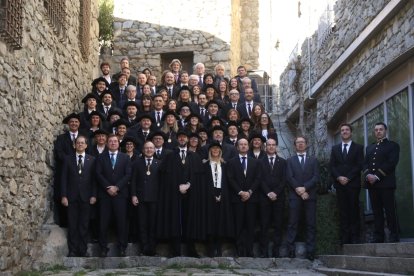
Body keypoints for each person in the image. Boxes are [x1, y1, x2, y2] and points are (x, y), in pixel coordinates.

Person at [156, 130, 204, 257]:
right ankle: (175, 250)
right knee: (174, 220)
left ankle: (191, 249)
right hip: (174, 194)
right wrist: (177, 186)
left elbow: (198, 176)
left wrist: (189, 185)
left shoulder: (194, 156)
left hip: (191, 194)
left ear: (188, 139)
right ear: (177, 139)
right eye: (180, 137)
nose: (182, 139)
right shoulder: (170, 156)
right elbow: (165, 176)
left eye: (184, 137)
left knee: (190, 220)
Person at [363, 122, 400, 243]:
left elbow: (391, 163)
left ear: (385, 131)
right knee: (377, 212)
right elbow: (365, 163)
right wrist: (368, 174)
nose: (378, 131)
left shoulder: (393, 146)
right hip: (372, 185)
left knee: (390, 211)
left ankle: (394, 235)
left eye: (381, 129)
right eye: (376, 130)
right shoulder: (370, 147)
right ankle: (379, 236)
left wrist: (377, 176)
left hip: (386, 183)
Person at [95, 134, 132, 257]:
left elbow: (127, 175)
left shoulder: (125, 157)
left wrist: (117, 187)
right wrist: (108, 187)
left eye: (115, 141)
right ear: (106, 143)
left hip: (120, 195)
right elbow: (98, 174)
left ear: (118, 143)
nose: (113, 143)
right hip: (105, 195)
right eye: (110, 141)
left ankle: (122, 247)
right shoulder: (100, 157)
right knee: (103, 223)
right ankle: (103, 248)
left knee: (121, 222)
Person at [60, 135, 96, 257]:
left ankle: (83, 250)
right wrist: (64, 196)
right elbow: (63, 179)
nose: (80, 144)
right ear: (74, 145)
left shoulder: (92, 160)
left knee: (84, 225)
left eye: (82, 143)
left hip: (86, 197)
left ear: (86, 145)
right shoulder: (67, 159)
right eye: (78, 143)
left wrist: (93, 195)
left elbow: (94, 180)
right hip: (71, 197)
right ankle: (73, 250)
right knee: (73, 224)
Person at [286, 136, 320, 261]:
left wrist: (305, 188)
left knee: (310, 224)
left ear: (306, 144)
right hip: (295, 196)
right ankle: (290, 250)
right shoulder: (290, 160)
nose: (300, 144)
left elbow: (316, 177)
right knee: (292, 223)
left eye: (302, 142)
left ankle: (311, 251)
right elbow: (289, 177)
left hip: (310, 196)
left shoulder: (313, 160)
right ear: (295, 145)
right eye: (298, 143)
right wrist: (299, 191)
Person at [329, 123, 364, 245]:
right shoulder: (335, 148)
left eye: (347, 130)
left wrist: (348, 177)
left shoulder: (358, 148)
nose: (344, 132)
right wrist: (339, 177)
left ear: (351, 132)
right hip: (340, 185)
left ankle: (355, 237)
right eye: (342, 130)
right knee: (343, 211)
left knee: (353, 210)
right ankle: (345, 237)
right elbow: (332, 166)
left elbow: (359, 165)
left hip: (353, 184)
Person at [226, 138, 262, 257]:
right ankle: (239, 250)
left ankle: (249, 250)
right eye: (241, 144)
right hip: (237, 199)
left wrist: (249, 192)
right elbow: (230, 179)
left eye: (245, 144)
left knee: (250, 226)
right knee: (239, 225)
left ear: (248, 146)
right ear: (237, 147)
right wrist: (241, 192)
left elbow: (258, 179)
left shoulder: (255, 162)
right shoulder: (231, 162)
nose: (243, 146)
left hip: (252, 199)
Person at [203, 141, 234, 257]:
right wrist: (212, 195)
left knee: (221, 221)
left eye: (217, 149)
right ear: (210, 151)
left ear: (220, 151)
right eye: (213, 149)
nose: (215, 150)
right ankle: (210, 248)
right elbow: (205, 183)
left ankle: (219, 247)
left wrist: (221, 195)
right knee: (210, 221)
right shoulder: (205, 165)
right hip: (209, 195)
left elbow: (227, 182)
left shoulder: (225, 165)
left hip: (222, 195)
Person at [54, 113, 85, 226]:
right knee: (65, 198)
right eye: (71, 122)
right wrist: (72, 160)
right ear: (68, 124)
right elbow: (59, 153)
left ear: (79, 123)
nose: (74, 123)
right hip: (65, 172)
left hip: (82, 172)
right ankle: (65, 224)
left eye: (76, 122)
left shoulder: (83, 138)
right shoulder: (61, 138)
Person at [131, 141, 161, 256]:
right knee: (142, 224)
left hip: (154, 199)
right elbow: (133, 181)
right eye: (146, 148)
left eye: (151, 148)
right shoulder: (137, 163)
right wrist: (133, 195)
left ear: (154, 150)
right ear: (143, 150)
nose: (149, 150)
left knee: (153, 224)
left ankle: (152, 249)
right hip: (141, 198)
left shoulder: (159, 163)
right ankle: (144, 249)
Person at [259, 138, 286, 258]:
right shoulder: (260, 162)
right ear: (265, 147)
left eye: (273, 145)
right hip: (264, 198)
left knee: (278, 225)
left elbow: (284, 180)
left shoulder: (283, 162)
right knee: (264, 225)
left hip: (278, 198)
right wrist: (268, 193)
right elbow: (259, 179)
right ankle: (263, 252)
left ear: (276, 147)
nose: (270, 147)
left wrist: (275, 192)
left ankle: (276, 251)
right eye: (268, 145)